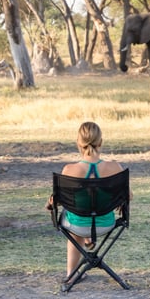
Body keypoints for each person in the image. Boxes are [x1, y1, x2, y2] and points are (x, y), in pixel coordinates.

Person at [46, 121, 129, 284]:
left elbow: (59, 200)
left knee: (73, 217)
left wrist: (49, 204)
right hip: (106, 223)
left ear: (78, 143)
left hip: (77, 225)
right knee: (81, 215)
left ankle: (72, 274)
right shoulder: (115, 167)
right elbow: (129, 196)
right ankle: (88, 239)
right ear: (101, 142)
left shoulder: (69, 170)